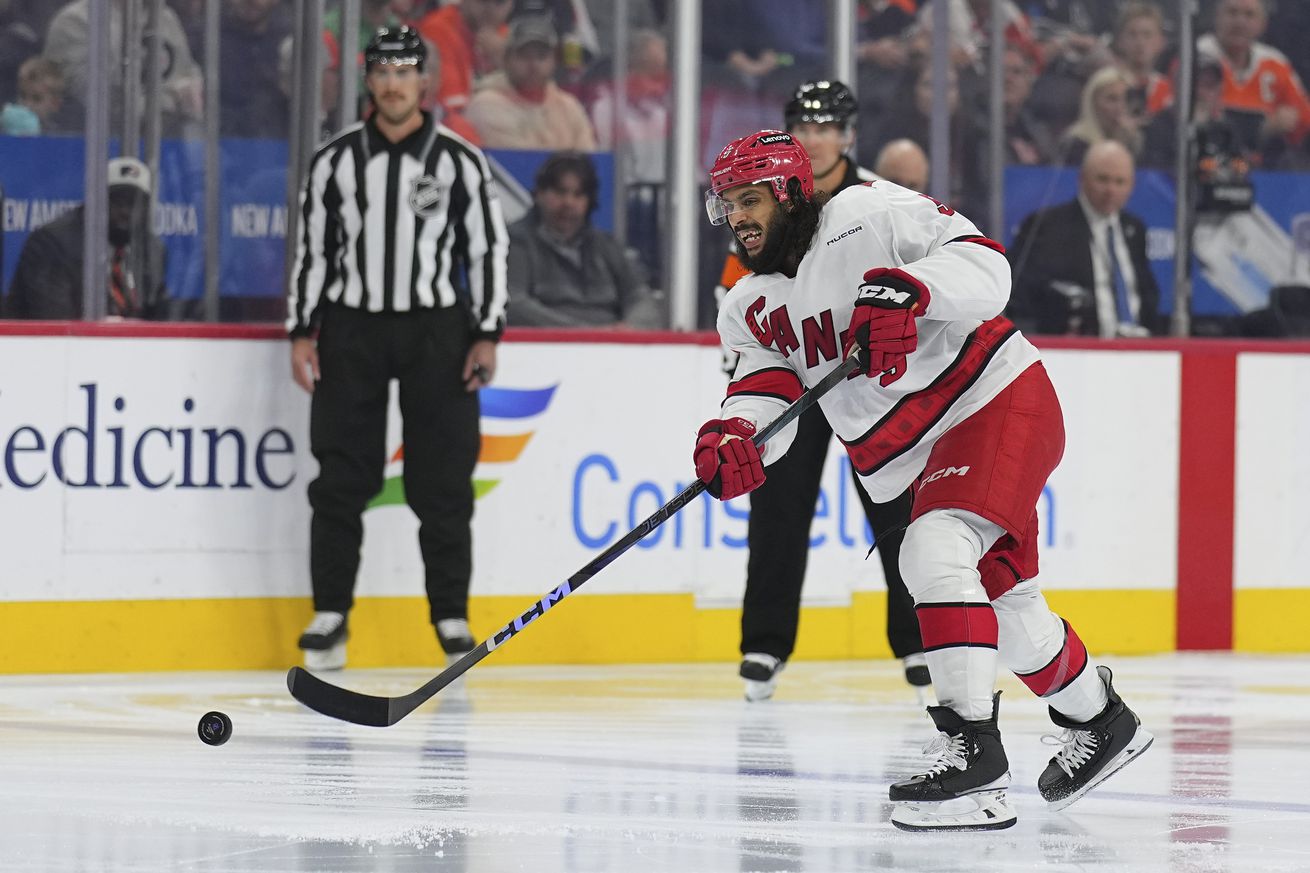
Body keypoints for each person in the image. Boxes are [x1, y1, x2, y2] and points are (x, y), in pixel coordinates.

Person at [696, 128, 1152, 830]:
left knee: (933, 550)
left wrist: (912, 290)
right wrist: (735, 436)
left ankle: (973, 759)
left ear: (789, 192)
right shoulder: (746, 304)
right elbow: (766, 394)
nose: (738, 218)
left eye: (750, 199)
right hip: (913, 458)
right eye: (727, 204)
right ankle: (1101, 717)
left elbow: (985, 267)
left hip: (993, 398)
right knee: (1010, 604)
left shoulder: (868, 214)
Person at [286, 26, 508, 671]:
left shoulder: (460, 161)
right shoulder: (333, 161)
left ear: (424, 82)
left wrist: (487, 332)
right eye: (381, 71)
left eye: (404, 72)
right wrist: (303, 329)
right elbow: (312, 253)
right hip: (351, 328)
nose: (392, 84)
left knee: (441, 481)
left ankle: (450, 618)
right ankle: (330, 616)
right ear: (367, 79)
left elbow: (487, 249)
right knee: (340, 477)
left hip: (437, 330)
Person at [714, 81, 928, 703]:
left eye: (826, 125)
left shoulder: (872, 202)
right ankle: (765, 643)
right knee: (777, 505)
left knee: (896, 506)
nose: (814, 136)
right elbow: (741, 291)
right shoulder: (755, 203)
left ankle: (917, 642)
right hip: (794, 374)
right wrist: (746, 376)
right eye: (802, 125)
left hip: (870, 378)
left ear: (850, 135)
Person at [1008, 140, 1163, 337]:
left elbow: (1147, 293)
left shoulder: (1135, 229)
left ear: (1131, 185)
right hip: (1078, 349)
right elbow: (1025, 293)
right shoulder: (1049, 226)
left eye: (1119, 182)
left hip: (1138, 347)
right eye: (1103, 179)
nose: (1111, 190)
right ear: (1082, 179)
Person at [506, 150, 663, 328]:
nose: (568, 202)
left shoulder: (606, 245)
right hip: (545, 349)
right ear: (539, 194)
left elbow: (640, 297)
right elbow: (514, 304)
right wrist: (585, 334)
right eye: (560, 192)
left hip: (613, 349)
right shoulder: (517, 240)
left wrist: (629, 327)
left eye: (578, 194)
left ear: (589, 201)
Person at [4, 156, 168, 320]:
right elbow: (55, 324)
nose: (125, 211)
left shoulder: (152, 251)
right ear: (96, 201)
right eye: (117, 201)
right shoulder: (52, 244)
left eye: (134, 203)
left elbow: (162, 316)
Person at [1198, 0, 1310, 167]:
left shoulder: (1274, 63)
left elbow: (1303, 118)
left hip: (1264, 169)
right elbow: (1198, 120)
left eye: (1249, 15)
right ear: (1217, 17)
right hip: (1206, 164)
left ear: (1262, 23)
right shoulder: (1196, 56)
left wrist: (1288, 121)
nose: (1240, 22)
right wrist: (1263, 127)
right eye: (1232, 12)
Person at [464, 14, 596, 150]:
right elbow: (520, 162)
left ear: (554, 61)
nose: (533, 65)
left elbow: (588, 160)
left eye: (541, 56)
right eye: (524, 55)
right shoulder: (485, 105)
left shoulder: (569, 107)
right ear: (506, 59)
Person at [1059, 66, 1143, 167]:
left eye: (1126, 99)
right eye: (1112, 99)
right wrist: (1119, 146)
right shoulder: (1075, 145)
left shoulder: (1134, 141)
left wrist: (1131, 145)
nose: (1120, 107)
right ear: (1093, 103)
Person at [0, 54, 63, 135]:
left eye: (37, 99)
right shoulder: (5, 126)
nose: (27, 104)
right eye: (23, 96)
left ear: (55, 104)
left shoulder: (56, 135)